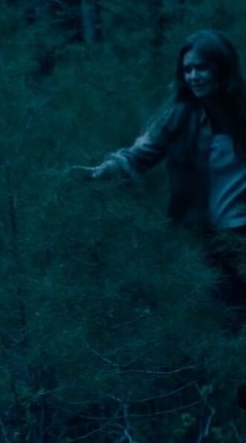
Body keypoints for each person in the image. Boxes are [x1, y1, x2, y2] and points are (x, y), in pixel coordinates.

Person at [76, 29, 246, 406]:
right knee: (232, 319)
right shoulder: (180, 115)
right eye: (187, 69)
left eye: (201, 68)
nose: (194, 76)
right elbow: (140, 153)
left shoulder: (242, 112)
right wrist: (103, 171)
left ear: (222, 69)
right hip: (212, 240)